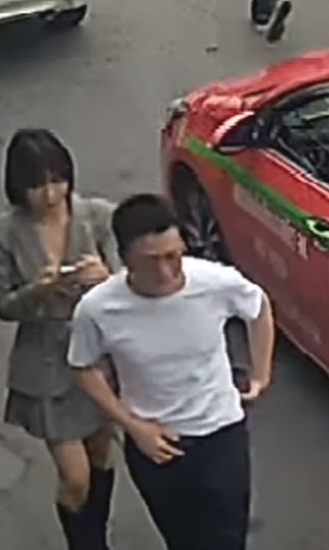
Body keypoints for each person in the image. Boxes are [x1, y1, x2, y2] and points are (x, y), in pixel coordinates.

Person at [68, 194, 276, 550]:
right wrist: (133, 426)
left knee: (226, 541)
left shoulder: (215, 283)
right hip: (156, 446)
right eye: (151, 262)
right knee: (182, 540)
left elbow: (258, 308)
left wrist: (261, 374)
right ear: (126, 259)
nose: (166, 272)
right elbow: (82, 368)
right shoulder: (99, 309)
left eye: (173, 256)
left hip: (220, 435)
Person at [0, 128, 120, 549]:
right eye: (37, 184)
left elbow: (132, 287)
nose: (49, 193)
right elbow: (4, 306)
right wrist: (37, 292)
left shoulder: (97, 216)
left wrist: (107, 279)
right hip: (47, 365)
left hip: (98, 360)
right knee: (75, 476)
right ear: (17, 187)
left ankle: (96, 538)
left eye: (57, 180)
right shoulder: (2, 232)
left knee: (101, 457)